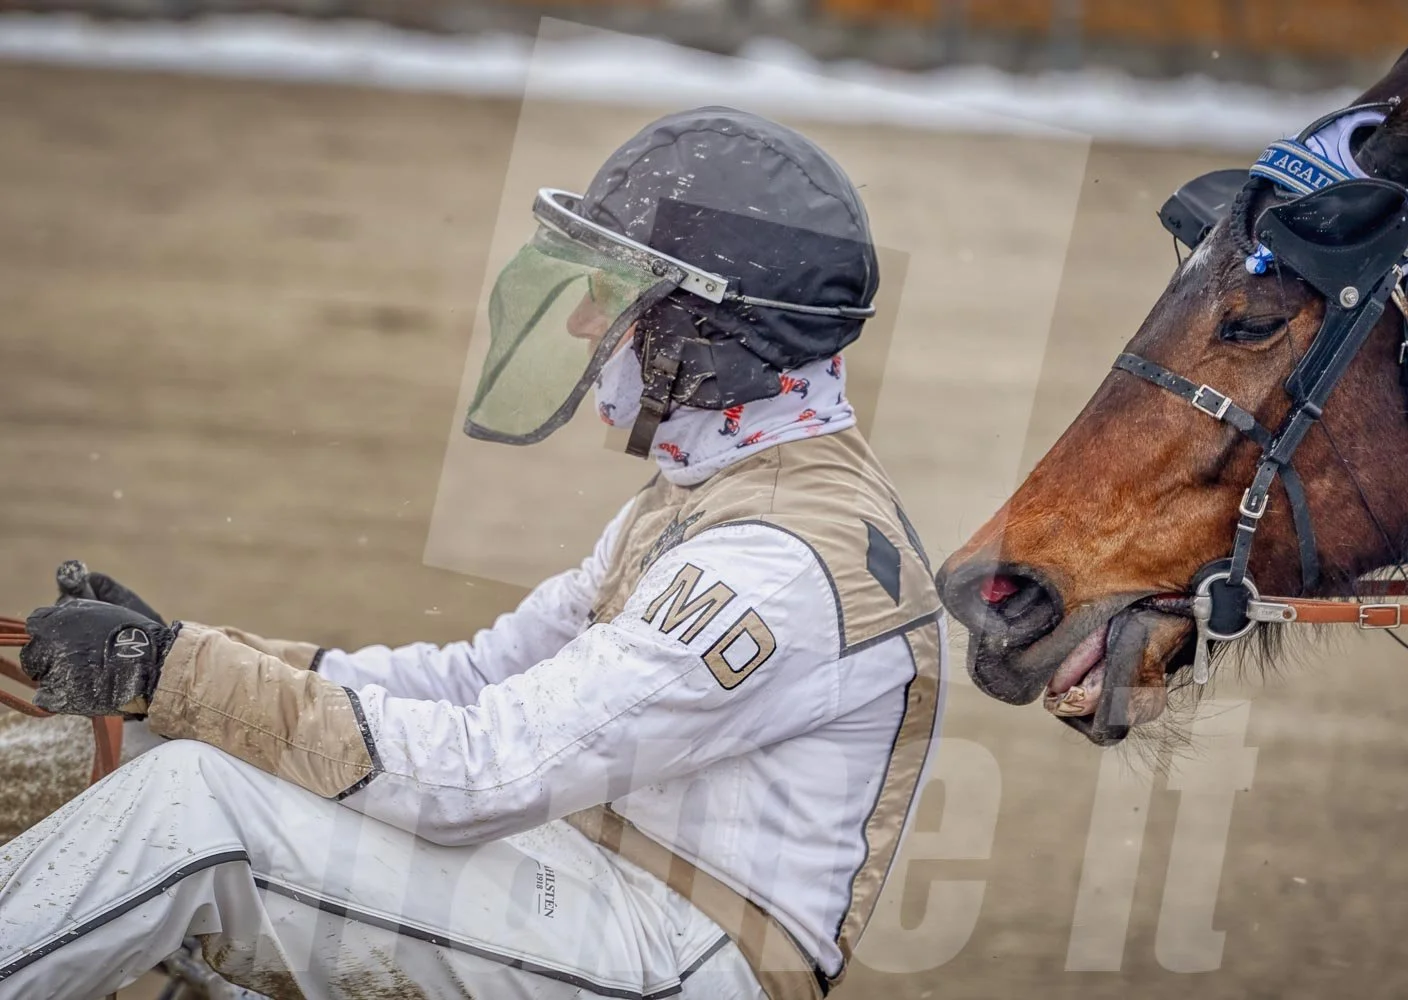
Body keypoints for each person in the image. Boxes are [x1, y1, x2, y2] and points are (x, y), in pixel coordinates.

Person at [0, 106, 946, 1000]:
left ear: (705, 329)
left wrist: (184, 673)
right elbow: (474, 680)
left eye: (614, 293)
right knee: (175, 742)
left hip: (681, 947)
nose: (582, 322)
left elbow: (483, 775)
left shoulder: (774, 560)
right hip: (585, 879)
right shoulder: (717, 493)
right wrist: (187, 661)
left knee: (192, 806)